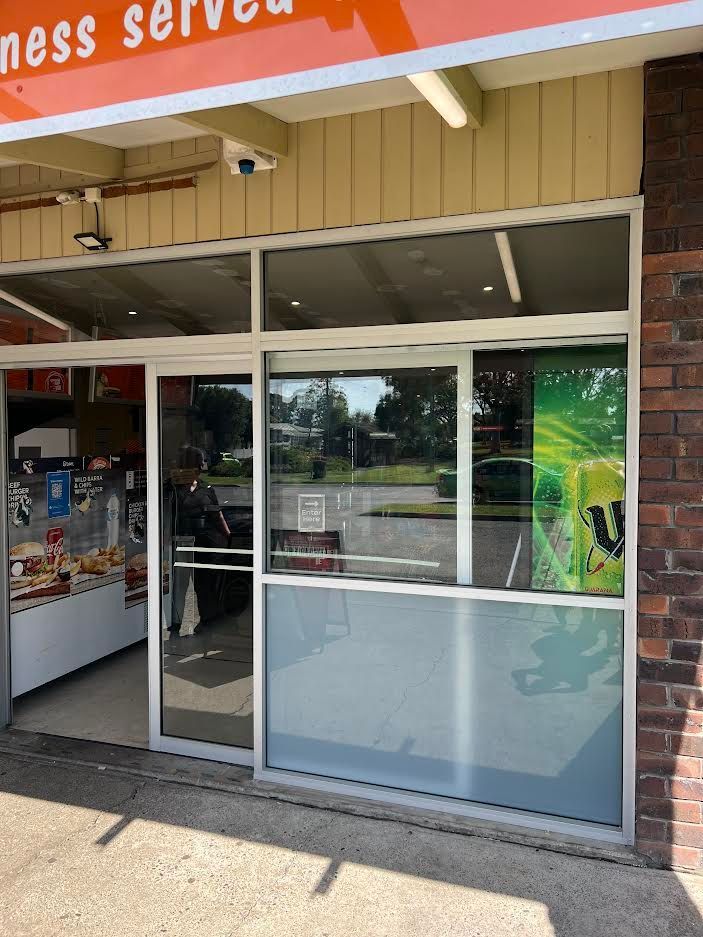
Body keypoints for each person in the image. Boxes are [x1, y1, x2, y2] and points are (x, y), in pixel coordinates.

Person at [168, 445, 231, 636]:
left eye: (199, 464)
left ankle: (207, 620)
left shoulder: (206, 488)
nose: (199, 468)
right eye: (196, 463)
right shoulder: (172, 486)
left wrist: (228, 536)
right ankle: (175, 622)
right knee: (179, 583)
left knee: (204, 582)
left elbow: (217, 515)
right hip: (180, 540)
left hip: (205, 542)